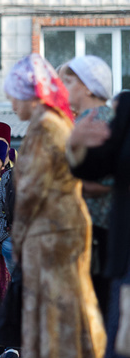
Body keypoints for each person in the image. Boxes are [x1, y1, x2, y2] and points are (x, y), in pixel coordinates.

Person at [4, 54, 105, 358]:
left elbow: (30, 188)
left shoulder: (47, 125)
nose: (11, 104)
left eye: (14, 96)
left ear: (31, 95)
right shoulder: (52, 121)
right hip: (55, 232)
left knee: (61, 322)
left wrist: (18, 237)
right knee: (57, 321)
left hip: (53, 235)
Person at [68, 90, 130, 358]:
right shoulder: (127, 108)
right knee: (124, 344)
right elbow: (93, 169)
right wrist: (76, 144)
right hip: (127, 253)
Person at [60, 55, 114, 317]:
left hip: (95, 229)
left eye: (69, 81)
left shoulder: (94, 121)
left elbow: (97, 181)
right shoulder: (92, 119)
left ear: (89, 87)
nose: (64, 87)